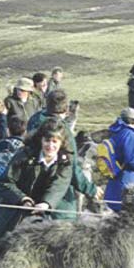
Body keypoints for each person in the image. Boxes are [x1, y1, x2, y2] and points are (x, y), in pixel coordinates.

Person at [26, 89, 102, 221]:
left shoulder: (34, 120)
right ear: (66, 109)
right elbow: (71, 167)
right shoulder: (62, 131)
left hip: (32, 189)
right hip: (59, 194)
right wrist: (90, 189)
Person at [0, 119, 73, 239]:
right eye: (47, 141)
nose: (50, 146)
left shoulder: (65, 162)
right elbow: (4, 182)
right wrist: (23, 199)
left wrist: (46, 204)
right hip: (14, 213)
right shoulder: (24, 155)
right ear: (41, 140)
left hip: (43, 215)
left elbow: (59, 186)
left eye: (55, 142)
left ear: (61, 143)